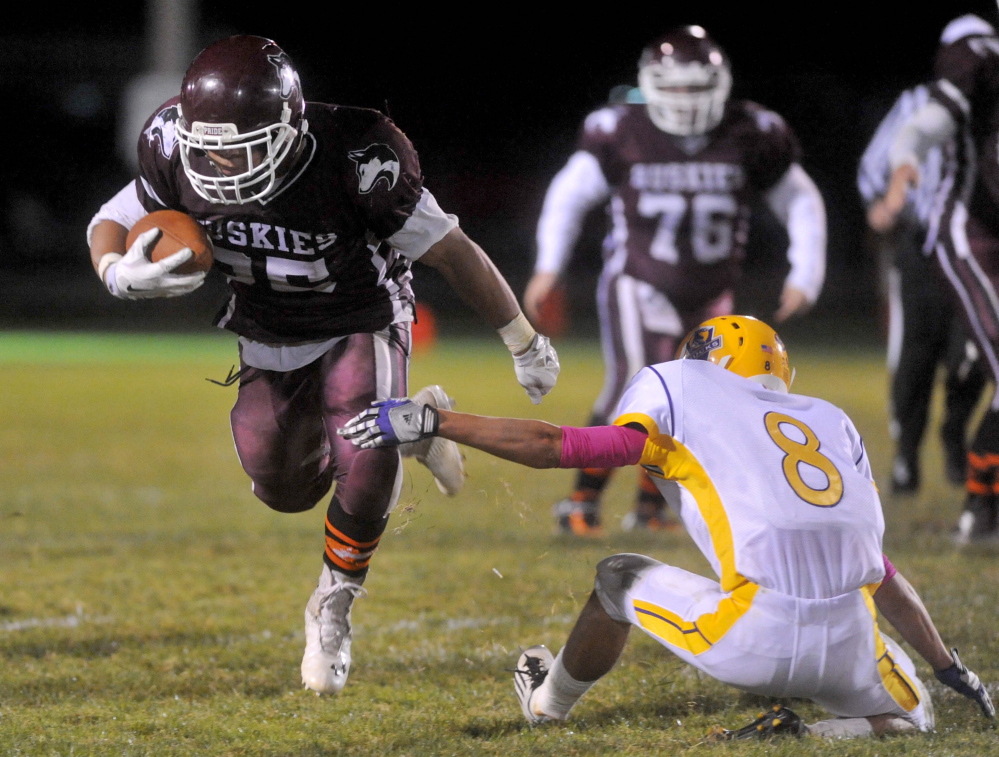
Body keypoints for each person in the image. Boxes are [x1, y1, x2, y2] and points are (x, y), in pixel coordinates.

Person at [85, 35, 560, 695]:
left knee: (364, 449)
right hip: (265, 328)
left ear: (288, 127)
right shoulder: (171, 145)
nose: (223, 164)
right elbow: (112, 216)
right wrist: (114, 271)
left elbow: (451, 250)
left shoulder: (358, 156)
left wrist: (523, 339)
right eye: (210, 147)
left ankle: (333, 602)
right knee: (283, 488)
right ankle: (421, 423)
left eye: (243, 146)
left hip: (358, 319)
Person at [339, 315, 994, 738]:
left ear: (706, 358)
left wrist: (437, 422)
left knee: (617, 575)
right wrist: (947, 664)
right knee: (914, 719)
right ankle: (810, 734)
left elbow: (554, 445)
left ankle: (548, 703)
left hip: (752, 633)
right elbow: (881, 572)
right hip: (852, 638)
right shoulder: (830, 418)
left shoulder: (682, 387)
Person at [523, 25, 826, 535]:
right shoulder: (621, 128)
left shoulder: (751, 132)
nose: (685, 101)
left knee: (701, 398)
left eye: (695, 88)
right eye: (676, 87)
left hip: (711, 288)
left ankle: (649, 508)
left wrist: (807, 273)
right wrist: (548, 265)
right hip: (638, 278)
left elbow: (801, 200)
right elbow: (568, 195)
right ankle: (581, 501)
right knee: (634, 384)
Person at [880, 14, 999, 542]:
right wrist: (906, 159)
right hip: (975, 233)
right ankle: (978, 498)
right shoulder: (978, 56)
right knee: (923, 361)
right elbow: (924, 124)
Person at [858, 82, 986, 494]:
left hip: (981, 247)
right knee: (915, 358)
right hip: (925, 245)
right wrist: (886, 200)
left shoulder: (991, 104)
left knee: (973, 354)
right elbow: (874, 166)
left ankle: (955, 430)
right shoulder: (918, 101)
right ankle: (906, 459)